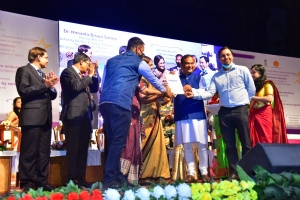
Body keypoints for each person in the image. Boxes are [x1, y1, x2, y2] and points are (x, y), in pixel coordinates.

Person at [99, 37, 173, 189]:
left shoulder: (111, 60)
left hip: (105, 103)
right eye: (142, 51)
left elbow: (104, 81)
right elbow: (153, 79)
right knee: (118, 143)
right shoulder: (139, 61)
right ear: (138, 49)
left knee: (114, 142)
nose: (142, 53)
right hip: (120, 103)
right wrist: (166, 92)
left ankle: (118, 175)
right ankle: (109, 179)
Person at [186, 46, 256, 181]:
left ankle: (248, 173)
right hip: (224, 112)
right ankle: (234, 173)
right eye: (223, 56)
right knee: (230, 146)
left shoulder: (243, 70)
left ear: (232, 56)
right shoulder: (216, 76)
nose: (226, 57)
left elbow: (251, 90)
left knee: (246, 144)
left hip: (240, 110)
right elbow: (209, 92)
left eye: (228, 55)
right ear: (219, 59)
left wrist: (244, 102)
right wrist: (193, 94)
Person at [15, 47, 59, 192]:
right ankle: (26, 183)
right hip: (32, 118)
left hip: (45, 118)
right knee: (29, 152)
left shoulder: (43, 74)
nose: (47, 60)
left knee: (44, 152)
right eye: (46, 57)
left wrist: (51, 86)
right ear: (38, 57)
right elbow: (23, 91)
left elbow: (51, 95)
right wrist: (44, 85)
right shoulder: (24, 70)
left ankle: (41, 180)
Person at [60, 52, 96, 188]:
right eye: (87, 63)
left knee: (82, 150)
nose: (88, 66)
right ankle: (71, 180)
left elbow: (94, 87)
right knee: (73, 149)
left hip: (85, 116)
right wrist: (89, 75)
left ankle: (81, 179)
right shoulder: (67, 72)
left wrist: (94, 73)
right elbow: (75, 86)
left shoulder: (83, 76)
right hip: (73, 115)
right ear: (81, 62)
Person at [173, 55, 210, 183]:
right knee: (187, 145)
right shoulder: (175, 79)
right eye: (186, 63)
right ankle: (191, 172)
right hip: (182, 115)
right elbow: (170, 94)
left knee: (202, 145)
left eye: (191, 63)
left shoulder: (200, 78)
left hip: (197, 114)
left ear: (194, 64)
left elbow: (205, 94)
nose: (189, 65)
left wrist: (192, 91)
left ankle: (204, 172)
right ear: (181, 65)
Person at [139, 56, 170, 182]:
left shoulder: (152, 79)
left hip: (154, 113)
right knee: (145, 142)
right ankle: (143, 173)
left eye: (152, 65)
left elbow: (156, 98)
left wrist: (165, 99)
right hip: (144, 114)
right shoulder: (141, 78)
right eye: (149, 65)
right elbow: (143, 98)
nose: (151, 67)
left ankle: (158, 172)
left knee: (157, 145)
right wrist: (162, 93)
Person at [249, 64, 288, 146]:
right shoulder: (254, 87)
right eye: (251, 72)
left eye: (254, 72)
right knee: (253, 138)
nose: (251, 75)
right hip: (254, 114)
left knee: (265, 137)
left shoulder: (267, 84)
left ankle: (266, 156)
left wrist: (253, 98)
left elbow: (270, 98)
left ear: (261, 73)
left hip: (264, 115)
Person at [67, 44, 100, 129]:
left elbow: (97, 82)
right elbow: (75, 81)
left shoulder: (92, 65)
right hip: (78, 98)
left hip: (91, 95)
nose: (92, 55)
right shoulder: (72, 63)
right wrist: (89, 75)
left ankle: (93, 136)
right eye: (90, 53)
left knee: (91, 122)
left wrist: (94, 72)